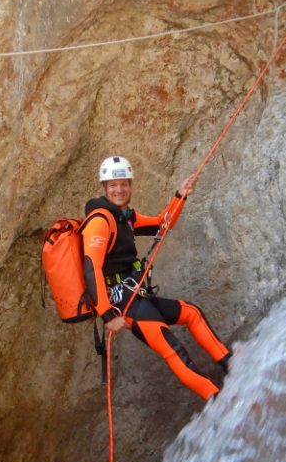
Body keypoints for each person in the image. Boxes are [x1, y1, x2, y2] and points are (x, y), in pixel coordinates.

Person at [82, 155, 232, 400]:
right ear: (104, 188)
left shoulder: (125, 218)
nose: (119, 189)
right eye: (113, 185)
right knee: (173, 349)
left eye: (123, 184)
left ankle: (231, 365)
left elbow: (162, 224)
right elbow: (91, 268)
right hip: (124, 303)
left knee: (191, 313)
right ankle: (218, 400)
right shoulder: (100, 221)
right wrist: (107, 315)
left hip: (138, 296)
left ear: (130, 185)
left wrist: (180, 194)